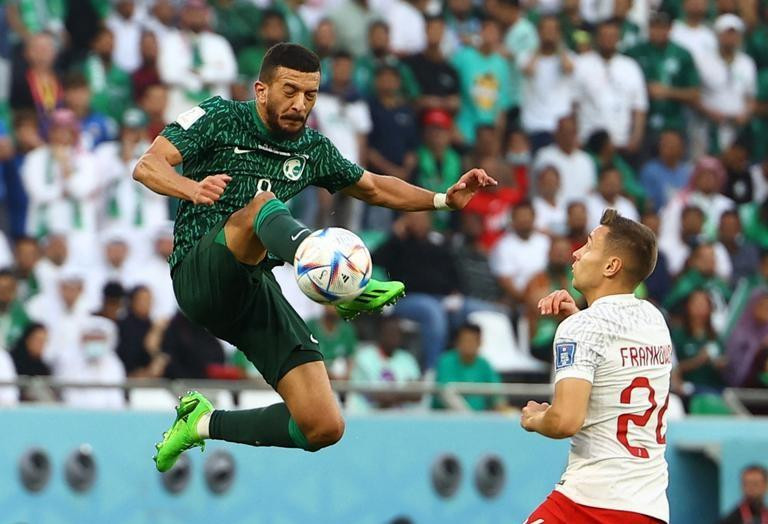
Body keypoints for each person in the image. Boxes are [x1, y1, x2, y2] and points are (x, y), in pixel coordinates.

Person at [133, 43, 495, 472]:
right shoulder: (218, 117)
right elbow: (147, 165)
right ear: (261, 90)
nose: (299, 104)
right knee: (260, 206)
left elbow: (374, 187)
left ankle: (201, 423)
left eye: (310, 95)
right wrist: (190, 188)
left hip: (251, 289)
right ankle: (341, 285)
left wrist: (442, 200)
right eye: (289, 91)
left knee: (322, 425)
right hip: (199, 272)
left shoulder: (312, 149)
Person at [522, 209, 671, 524]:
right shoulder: (653, 318)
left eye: (588, 246)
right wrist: (578, 318)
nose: (576, 253)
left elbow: (564, 421)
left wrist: (535, 418)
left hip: (591, 504)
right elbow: (615, 361)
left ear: (611, 266)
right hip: (650, 507)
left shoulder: (583, 330)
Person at [434, 323, 501, 411]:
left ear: (480, 342)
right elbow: (445, 393)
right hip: (446, 419)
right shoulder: (446, 361)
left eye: (472, 341)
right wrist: (468, 417)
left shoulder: (485, 365)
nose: (469, 344)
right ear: (457, 342)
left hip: (479, 420)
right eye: (465, 340)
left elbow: (497, 397)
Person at [726, 289, 768, 388]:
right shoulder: (739, 331)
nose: (766, 310)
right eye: (762, 306)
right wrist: (758, 348)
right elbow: (732, 366)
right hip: (737, 387)